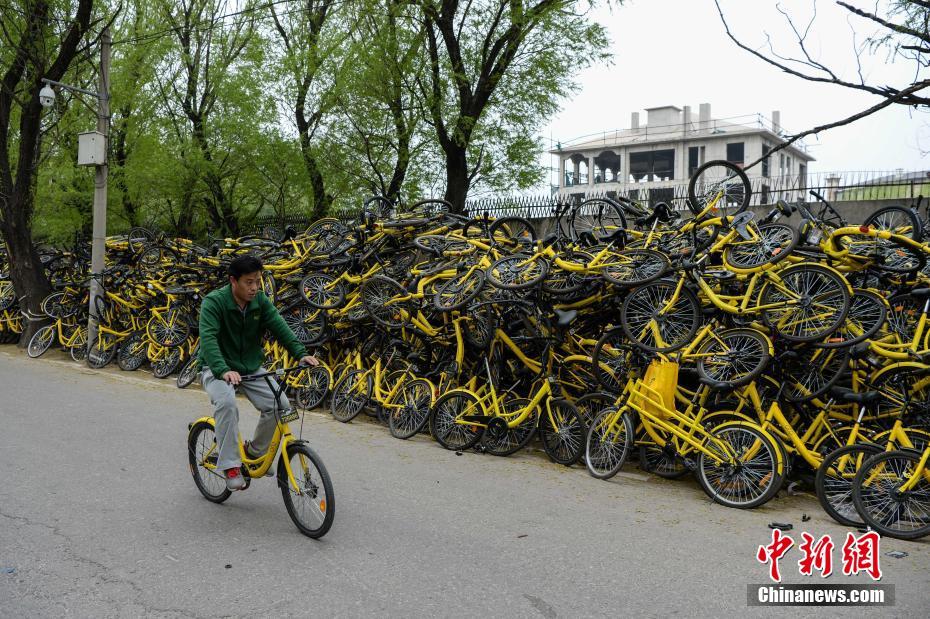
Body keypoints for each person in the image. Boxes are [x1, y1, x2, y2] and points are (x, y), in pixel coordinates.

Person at [198, 255, 319, 491]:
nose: (254, 288)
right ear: (233, 281)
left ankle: (256, 453)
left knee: (281, 404)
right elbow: (208, 340)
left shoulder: (259, 301)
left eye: (257, 281)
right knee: (227, 404)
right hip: (217, 367)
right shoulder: (214, 303)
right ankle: (231, 465)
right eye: (249, 282)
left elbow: (279, 325)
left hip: (250, 367)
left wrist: (300, 353)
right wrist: (223, 370)